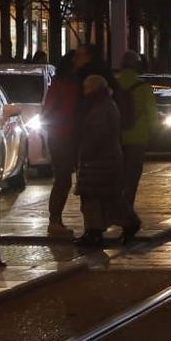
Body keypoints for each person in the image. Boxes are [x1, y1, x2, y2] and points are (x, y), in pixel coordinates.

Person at [42, 52, 93, 238]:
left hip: (69, 135)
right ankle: (55, 220)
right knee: (64, 180)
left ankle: (62, 220)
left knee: (72, 180)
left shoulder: (71, 83)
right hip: (64, 136)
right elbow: (49, 110)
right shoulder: (64, 84)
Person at [73, 69, 123, 249]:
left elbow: (97, 134)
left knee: (92, 198)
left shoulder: (99, 107)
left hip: (98, 161)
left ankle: (94, 232)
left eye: (86, 87)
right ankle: (93, 231)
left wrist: (85, 153)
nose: (84, 90)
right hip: (104, 159)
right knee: (95, 198)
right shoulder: (105, 104)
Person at [114, 52, 152, 243]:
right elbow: (152, 114)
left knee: (116, 181)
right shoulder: (143, 88)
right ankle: (128, 216)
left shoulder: (114, 84)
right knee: (131, 181)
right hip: (137, 140)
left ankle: (122, 216)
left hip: (117, 139)